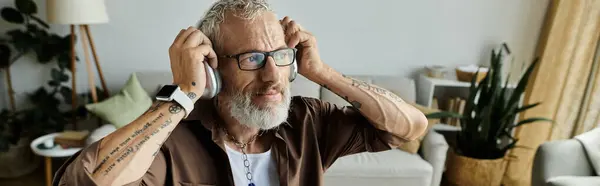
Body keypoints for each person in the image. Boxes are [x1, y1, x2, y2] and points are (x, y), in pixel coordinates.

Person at [53, 0, 428, 185]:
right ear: (211, 67)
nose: (272, 77)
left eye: (280, 57)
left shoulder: (307, 121)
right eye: (251, 58)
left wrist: (321, 71)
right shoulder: (173, 139)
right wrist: (183, 94)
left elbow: (409, 127)